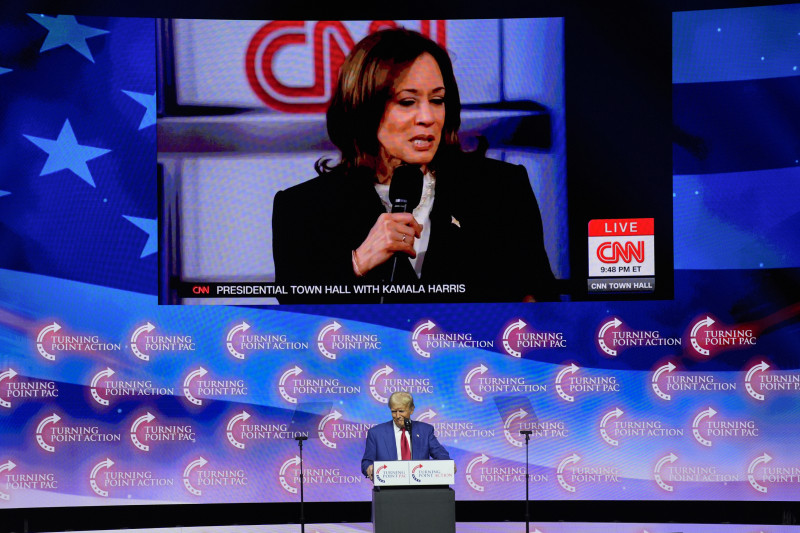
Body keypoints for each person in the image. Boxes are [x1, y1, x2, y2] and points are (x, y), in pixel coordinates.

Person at [272, 28, 557, 303]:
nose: (427, 117)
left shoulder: (501, 189)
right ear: (364, 108)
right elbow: (299, 320)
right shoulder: (303, 209)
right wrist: (358, 262)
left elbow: (540, 299)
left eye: (437, 100)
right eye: (407, 102)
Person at [361, 391, 452, 481]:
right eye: (393, 411)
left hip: (420, 489)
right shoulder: (376, 433)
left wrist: (448, 465)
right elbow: (366, 462)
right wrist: (369, 468)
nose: (397, 416)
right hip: (388, 491)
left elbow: (440, 454)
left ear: (411, 409)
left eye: (401, 411)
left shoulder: (425, 431)